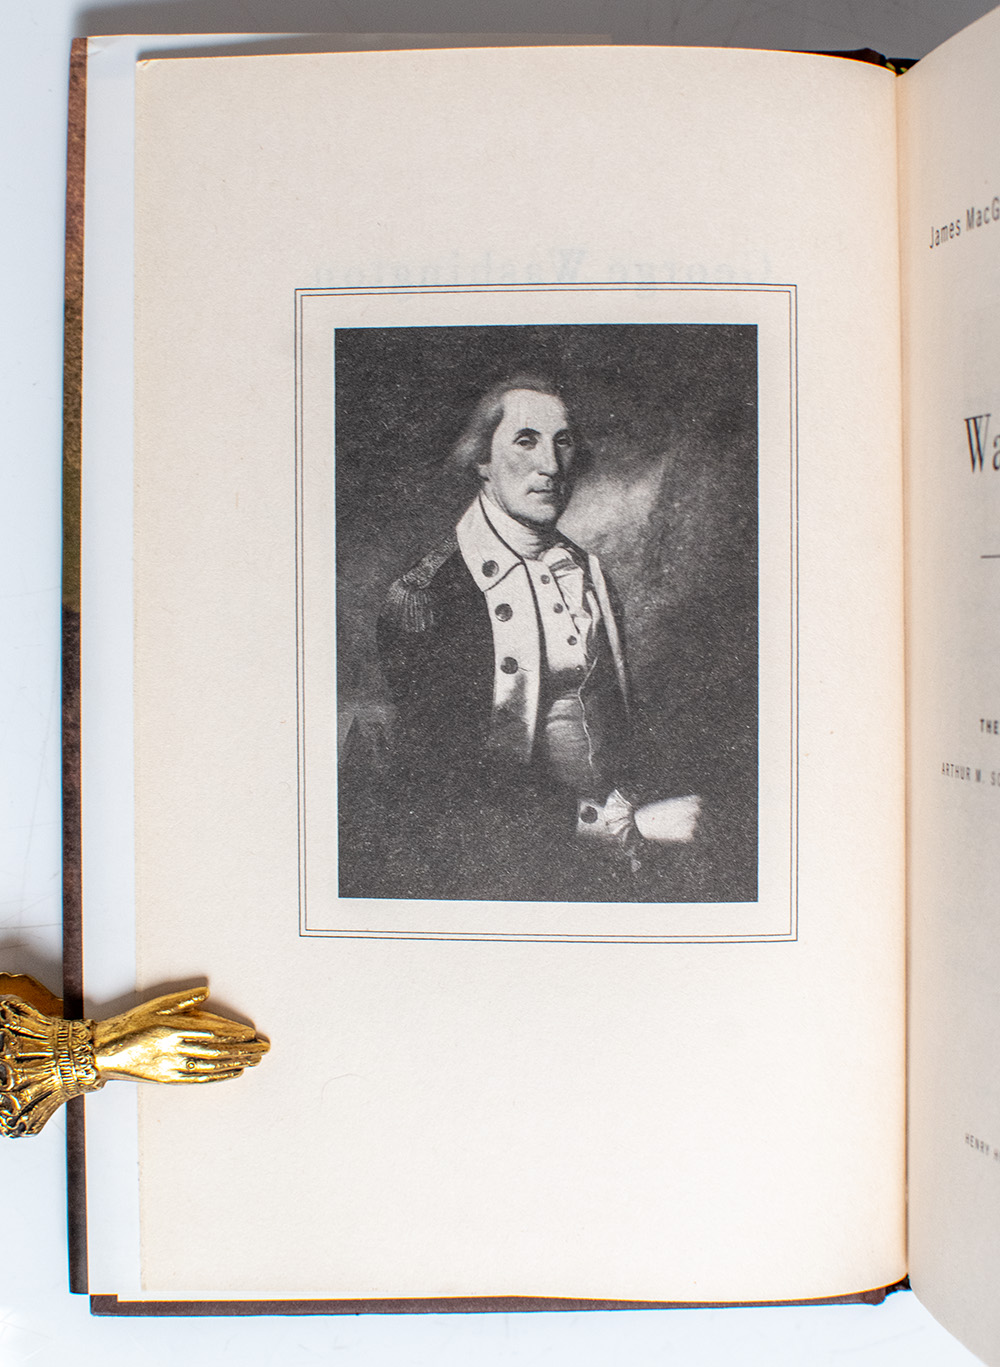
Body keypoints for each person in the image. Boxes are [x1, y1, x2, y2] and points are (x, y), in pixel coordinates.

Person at [342, 376, 695, 901]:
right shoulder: (426, 597)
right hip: (501, 864)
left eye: (563, 441)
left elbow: (619, 726)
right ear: (482, 460)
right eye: (526, 441)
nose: (551, 465)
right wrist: (621, 825)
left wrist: (641, 809)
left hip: (615, 851)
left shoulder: (590, 574)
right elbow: (447, 791)